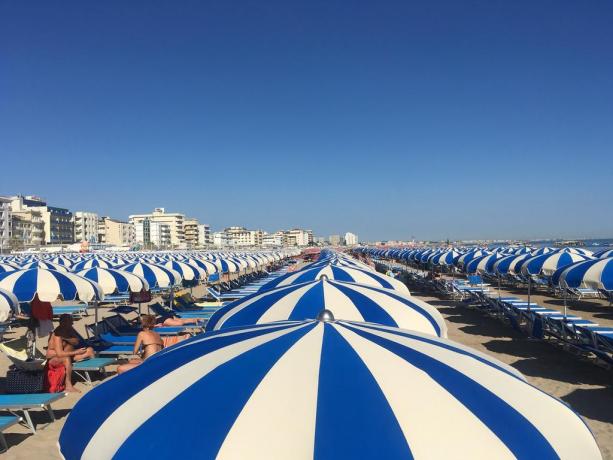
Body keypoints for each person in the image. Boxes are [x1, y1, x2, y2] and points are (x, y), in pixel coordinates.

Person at [46, 314, 95, 393]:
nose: (72, 324)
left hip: (69, 355)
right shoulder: (57, 334)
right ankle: (68, 385)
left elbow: (76, 342)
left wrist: (66, 338)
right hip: (54, 359)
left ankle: (95, 374)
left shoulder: (69, 330)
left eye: (71, 322)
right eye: (70, 322)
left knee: (90, 350)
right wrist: (77, 352)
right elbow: (59, 354)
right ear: (63, 323)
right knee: (66, 359)